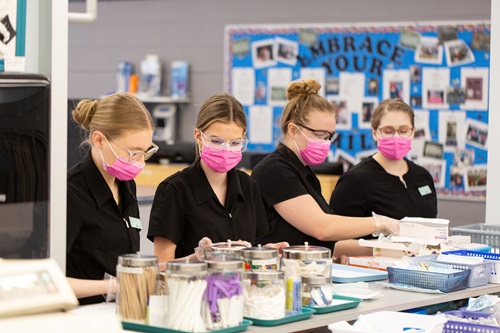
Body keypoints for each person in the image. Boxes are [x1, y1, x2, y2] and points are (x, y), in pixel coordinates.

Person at [251, 78, 399, 253]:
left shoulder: (305, 173)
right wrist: (379, 222)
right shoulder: (274, 170)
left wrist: (385, 250)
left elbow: (325, 245)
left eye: (329, 136)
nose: (325, 142)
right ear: (292, 130)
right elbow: (322, 228)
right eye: (319, 134)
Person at [148, 92, 285, 262]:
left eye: (235, 143)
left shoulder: (248, 186)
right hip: (193, 286)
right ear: (199, 136)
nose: (226, 150)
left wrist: (265, 252)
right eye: (217, 141)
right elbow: (161, 267)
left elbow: (253, 247)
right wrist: (197, 258)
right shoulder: (174, 190)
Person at [67, 93, 158, 305]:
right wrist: (114, 287)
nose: (140, 162)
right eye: (132, 153)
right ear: (99, 140)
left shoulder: (126, 185)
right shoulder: (71, 194)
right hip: (81, 317)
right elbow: (48, 280)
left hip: (122, 312)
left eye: (145, 152)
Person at [329, 98, 437, 258]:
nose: (396, 137)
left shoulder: (423, 177)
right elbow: (333, 244)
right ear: (375, 133)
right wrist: (384, 249)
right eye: (388, 131)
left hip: (422, 269)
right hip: (373, 275)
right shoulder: (355, 180)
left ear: (413, 132)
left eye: (403, 130)